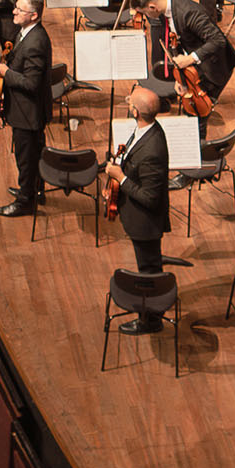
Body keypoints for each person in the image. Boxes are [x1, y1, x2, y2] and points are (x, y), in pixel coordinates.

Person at [105, 87, 172, 319]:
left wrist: (120, 178)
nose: (127, 104)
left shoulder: (152, 150)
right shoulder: (146, 129)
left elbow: (150, 198)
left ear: (135, 111)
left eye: (129, 102)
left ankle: (151, 319)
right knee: (148, 264)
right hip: (138, 217)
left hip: (145, 224)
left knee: (149, 272)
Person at [0, 0, 54, 219]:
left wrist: (6, 73)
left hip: (28, 113)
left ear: (34, 15)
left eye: (19, 9)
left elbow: (31, 83)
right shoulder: (26, 32)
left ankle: (25, 201)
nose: (14, 12)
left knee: (26, 157)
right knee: (31, 154)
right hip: (26, 110)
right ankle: (35, 190)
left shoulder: (36, 41)